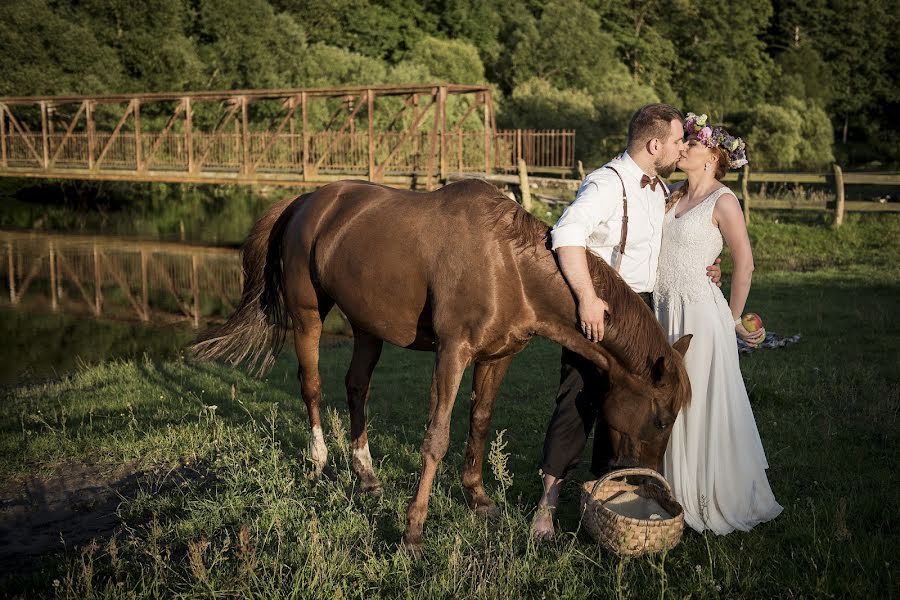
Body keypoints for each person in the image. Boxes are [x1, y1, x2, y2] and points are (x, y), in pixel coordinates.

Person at [531, 104, 721, 539]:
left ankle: (601, 496)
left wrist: (712, 265)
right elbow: (566, 235)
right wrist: (587, 298)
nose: (681, 147)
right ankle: (547, 505)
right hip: (605, 308)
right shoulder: (605, 183)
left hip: (645, 307)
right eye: (676, 141)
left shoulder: (659, 189)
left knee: (629, 402)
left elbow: (685, 237)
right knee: (578, 398)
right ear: (655, 145)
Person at [654, 113, 782, 533]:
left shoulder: (724, 201)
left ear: (711, 156)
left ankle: (708, 494)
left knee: (699, 401)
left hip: (702, 317)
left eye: (692, 144)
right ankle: (671, 488)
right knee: (668, 399)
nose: (684, 148)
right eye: (684, 143)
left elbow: (744, 262)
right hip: (665, 313)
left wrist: (730, 319)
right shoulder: (671, 195)